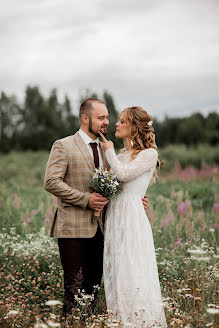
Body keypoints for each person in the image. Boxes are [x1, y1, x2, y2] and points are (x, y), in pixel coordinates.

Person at [44, 98, 148, 318]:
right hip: (72, 229)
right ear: (85, 118)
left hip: (102, 230)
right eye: (101, 117)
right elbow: (51, 182)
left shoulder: (107, 149)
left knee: (92, 291)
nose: (106, 122)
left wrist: (135, 198)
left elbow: (116, 184)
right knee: (73, 291)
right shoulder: (63, 145)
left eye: (107, 117)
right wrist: (85, 200)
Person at [100, 106, 167, 327]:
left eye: (122, 121)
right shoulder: (121, 155)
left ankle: (140, 322)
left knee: (132, 268)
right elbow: (114, 185)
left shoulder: (149, 154)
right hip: (115, 214)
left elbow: (124, 174)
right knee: (118, 270)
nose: (116, 124)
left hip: (131, 217)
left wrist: (108, 150)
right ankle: (120, 320)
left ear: (134, 126)